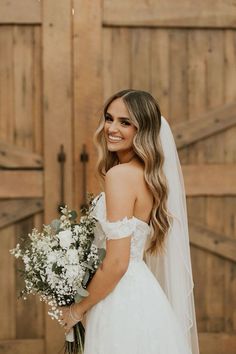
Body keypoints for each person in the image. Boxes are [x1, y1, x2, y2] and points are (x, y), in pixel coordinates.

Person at [60, 89, 200, 354]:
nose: (112, 128)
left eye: (125, 122)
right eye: (109, 118)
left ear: (142, 130)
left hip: (120, 299)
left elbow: (116, 263)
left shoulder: (120, 176)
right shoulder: (147, 175)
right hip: (143, 293)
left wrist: (76, 310)